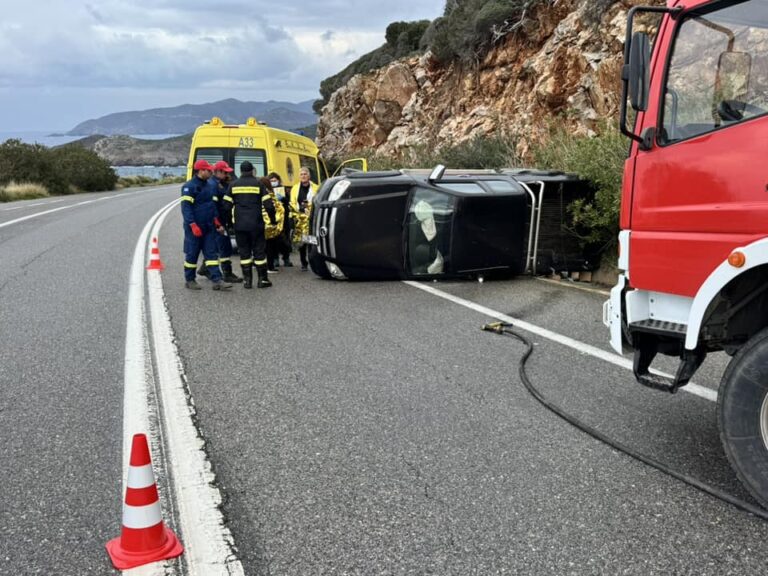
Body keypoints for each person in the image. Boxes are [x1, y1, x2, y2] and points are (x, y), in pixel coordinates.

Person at [222, 161, 277, 289]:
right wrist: (273, 220)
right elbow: (269, 205)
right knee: (259, 252)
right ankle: (262, 280)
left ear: (240, 171)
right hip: (256, 224)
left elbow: (226, 207)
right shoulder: (259, 184)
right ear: (252, 170)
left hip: (240, 225)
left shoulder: (233, 185)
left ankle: (247, 281)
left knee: (244, 253)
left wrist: (229, 223)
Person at [180, 159, 232, 290]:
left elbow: (211, 207)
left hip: (209, 226)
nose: (211, 172)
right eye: (208, 170)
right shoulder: (189, 187)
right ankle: (190, 279)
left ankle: (217, 280)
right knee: (192, 254)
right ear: (201, 171)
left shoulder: (209, 185)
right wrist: (192, 224)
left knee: (211, 254)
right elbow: (186, 208)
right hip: (195, 228)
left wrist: (217, 223)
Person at [197, 160, 242, 283]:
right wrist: (218, 224)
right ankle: (227, 273)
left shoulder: (221, 183)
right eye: (225, 172)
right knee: (224, 247)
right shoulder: (212, 185)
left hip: (222, 219)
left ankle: (204, 268)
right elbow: (213, 207)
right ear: (217, 172)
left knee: (217, 247)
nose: (227, 175)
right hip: (216, 221)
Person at [289, 167, 317, 270]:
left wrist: (308, 206)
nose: (303, 176)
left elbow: (317, 202)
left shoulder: (315, 188)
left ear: (309, 176)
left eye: (305, 174)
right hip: (299, 218)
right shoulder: (295, 188)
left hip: (311, 218)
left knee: (311, 241)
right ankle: (303, 262)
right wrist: (299, 208)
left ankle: (312, 259)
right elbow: (292, 203)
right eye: (301, 174)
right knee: (301, 242)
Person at [266, 171, 293, 270]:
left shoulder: (283, 189)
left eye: (275, 180)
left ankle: (286, 258)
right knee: (273, 239)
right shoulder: (267, 190)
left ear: (278, 180)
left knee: (284, 239)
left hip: (283, 218)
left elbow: (288, 202)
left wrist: (284, 198)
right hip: (273, 218)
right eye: (271, 180)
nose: (273, 182)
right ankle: (275, 258)